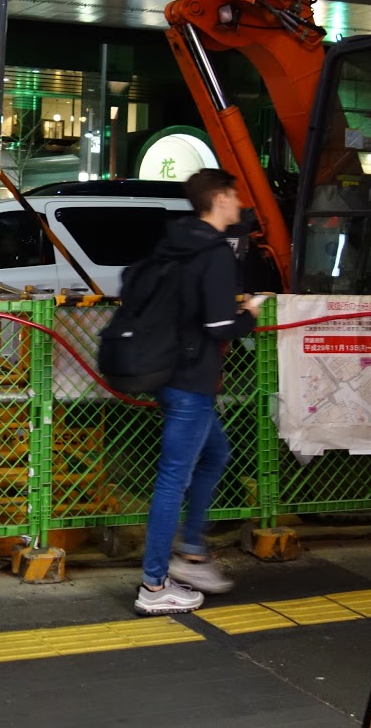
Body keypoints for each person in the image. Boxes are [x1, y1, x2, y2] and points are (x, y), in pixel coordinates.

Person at [134, 168, 265, 616]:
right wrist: (249, 312)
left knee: (216, 454)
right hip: (191, 381)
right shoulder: (215, 253)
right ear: (221, 197)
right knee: (173, 479)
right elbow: (219, 325)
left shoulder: (175, 241)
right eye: (236, 195)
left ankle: (191, 551)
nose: (240, 203)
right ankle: (154, 584)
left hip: (166, 371)